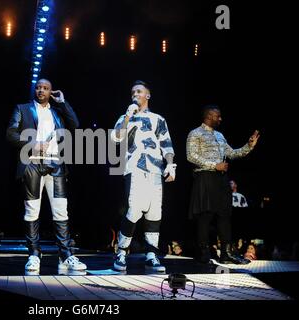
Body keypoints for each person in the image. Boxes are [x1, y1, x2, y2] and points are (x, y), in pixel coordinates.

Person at [6, 78, 87, 274]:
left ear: (51, 91)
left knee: (61, 210)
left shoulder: (57, 111)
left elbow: (75, 124)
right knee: (31, 210)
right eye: (38, 87)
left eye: (45, 88)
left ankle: (65, 255)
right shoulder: (23, 108)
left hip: (55, 163)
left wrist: (63, 102)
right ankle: (34, 254)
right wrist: (32, 143)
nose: (41, 90)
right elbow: (10, 133)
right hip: (32, 162)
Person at [111, 80, 177, 273]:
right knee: (133, 210)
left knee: (155, 213)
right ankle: (121, 252)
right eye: (133, 92)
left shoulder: (158, 119)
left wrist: (170, 164)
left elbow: (166, 144)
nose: (135, 94)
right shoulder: (125, 117)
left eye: (139, 91)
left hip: (155, 170)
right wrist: (127, 116)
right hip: (134, 169)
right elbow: (116, 138)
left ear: (147, 95)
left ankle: (151, 254)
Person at [186, 105, 259, 264]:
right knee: (205, 215)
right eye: (218, 116)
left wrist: (249, 146)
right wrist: (214, 165)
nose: (220, 119)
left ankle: (226, 253)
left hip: (221, 179)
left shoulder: (220, 135)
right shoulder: (195, 133)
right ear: (209, 116)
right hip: (205, 177)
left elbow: (232, 153)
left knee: (224, 215)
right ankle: (203, 252)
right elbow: (191, 156)